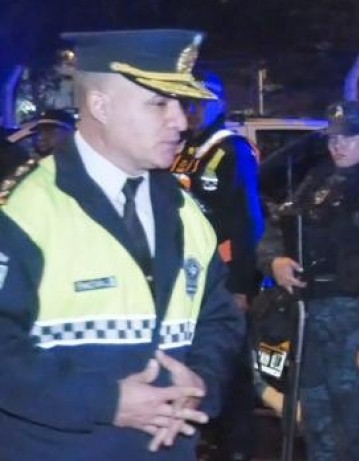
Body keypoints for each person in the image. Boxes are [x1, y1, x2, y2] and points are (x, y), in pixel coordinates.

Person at [0, 29, 245, 461]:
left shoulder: (186, 211)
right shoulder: (25, 209)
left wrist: (200, 382)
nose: (181, 121)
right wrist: (106, 402)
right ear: (100, 105)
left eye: (181, 103)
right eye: (159, 103)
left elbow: (219, 319)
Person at [257, 100, 359, 461]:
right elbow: (277, 231)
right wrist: (274, 262)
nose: (338, 144)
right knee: (317, 431)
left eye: (349, 136)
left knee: (356, 435)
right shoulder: (315, 182)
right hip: (310, 325)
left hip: (357, 327)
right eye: (333, 137)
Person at [170, 71, 263, 460]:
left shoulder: (231, 150)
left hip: (223, 277)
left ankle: (236, 448)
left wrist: (241, 284)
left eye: (201, 102)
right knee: (197, 355)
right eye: (188, 102)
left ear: (220, 103)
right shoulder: (183, 147)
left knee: (231, 364)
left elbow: (247, 220)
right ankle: (207, 435)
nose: (193, 110)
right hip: (188, 275)